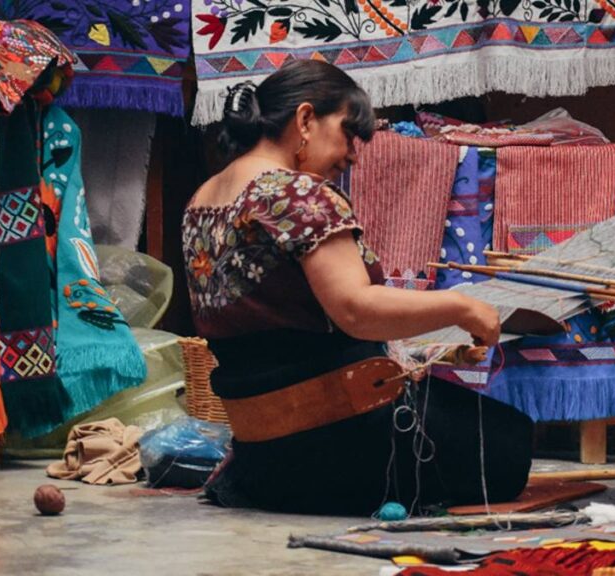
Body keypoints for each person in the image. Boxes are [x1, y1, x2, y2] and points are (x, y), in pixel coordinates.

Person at [182, 60, 533, 515]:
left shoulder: (202, 199)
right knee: (510, 443)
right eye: (349, 133)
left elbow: (283, 332)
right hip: (341, 446)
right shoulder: (298, 193)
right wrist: (461, 307)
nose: (353, 153)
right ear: (305, 119)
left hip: (264, 456)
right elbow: (354, 308)